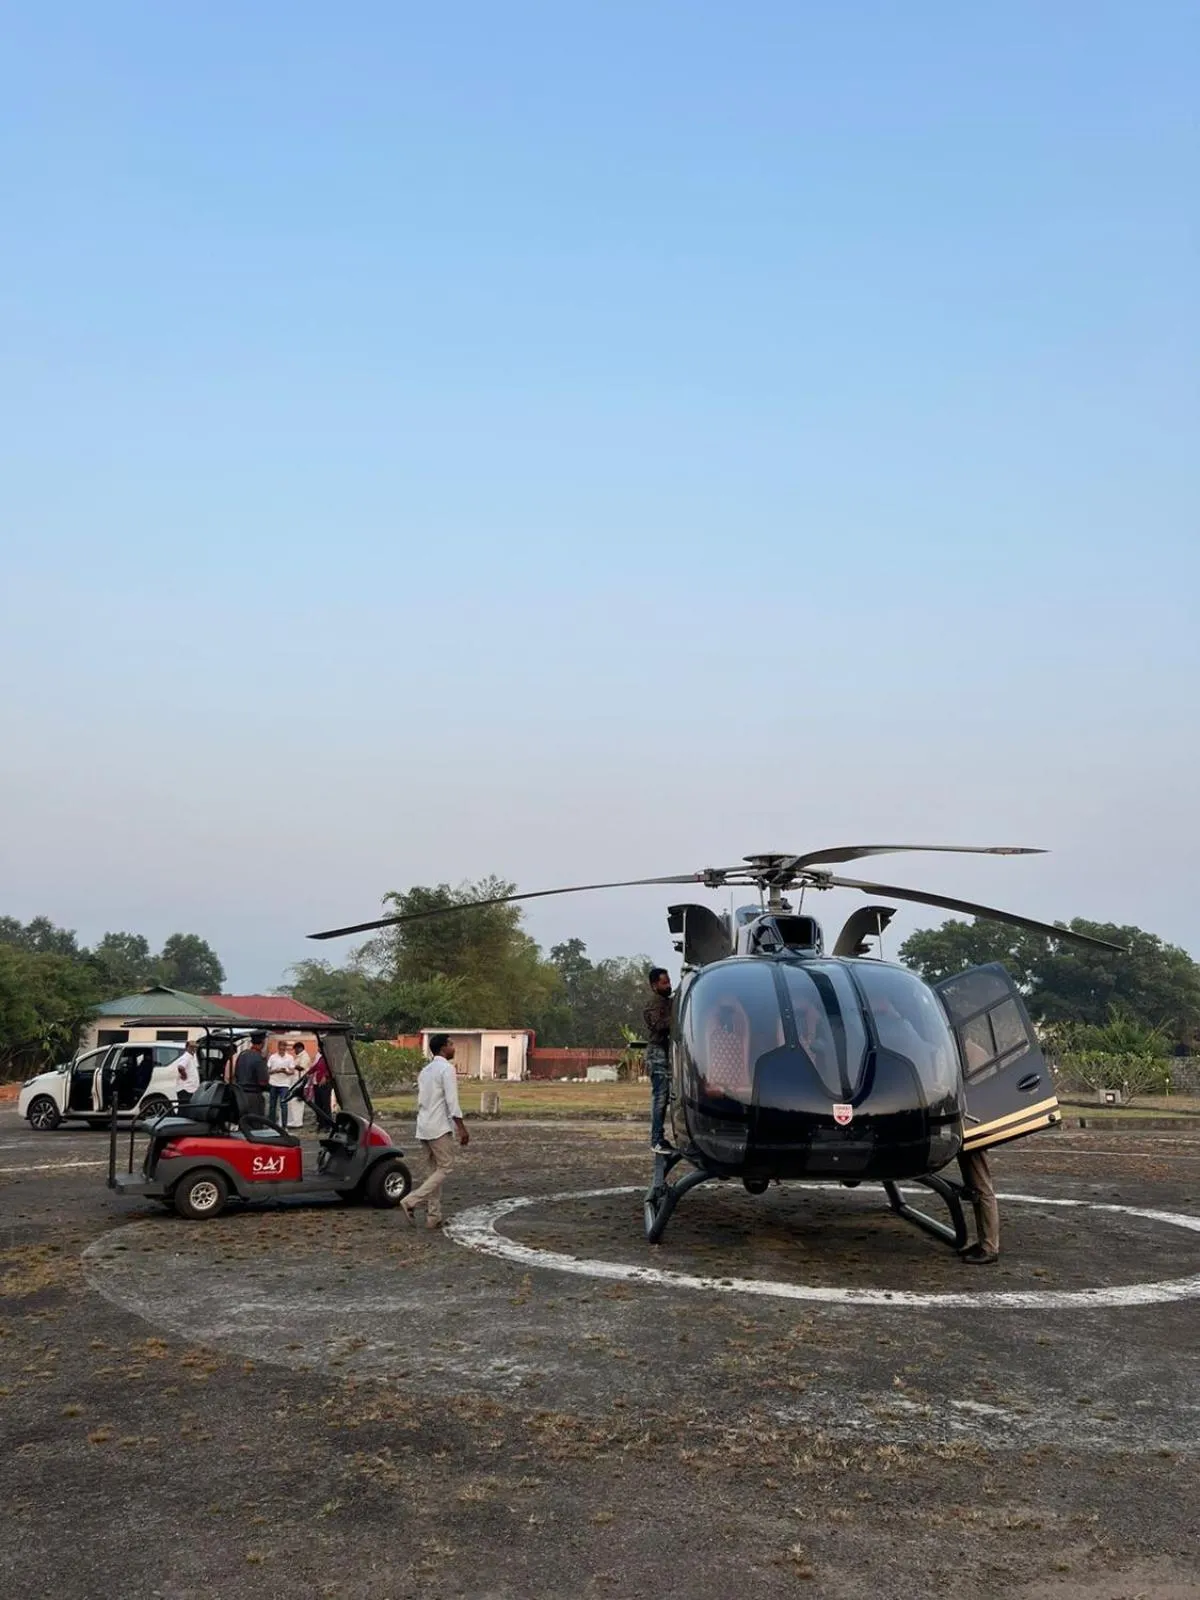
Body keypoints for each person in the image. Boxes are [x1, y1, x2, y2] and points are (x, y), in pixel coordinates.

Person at [401, 1035, 470, 1230]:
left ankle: (434, 1217)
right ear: (442, 1049)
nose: (453, 1047)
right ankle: (412, 1200)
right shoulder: (446, 1069)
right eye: (450, 1044)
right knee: (446, 1167)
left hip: (424, 1126)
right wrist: (462, 1127)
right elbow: (452, 1102)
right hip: (439, 1126)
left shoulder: (425, 1071)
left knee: (434, 1172)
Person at [643, 968, 674, 1155]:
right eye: (664, 982)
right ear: (654, 986)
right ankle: (656, 1140)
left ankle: (660, 1138)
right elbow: (659, 1025)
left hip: (664, 1052)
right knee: (660, 1097)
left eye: (669, 981)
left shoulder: (666, 1002)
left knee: (665, 1096)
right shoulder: (654, 1004)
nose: (669, 985)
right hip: (657, 1052)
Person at [957, 1144, 1000, 1265]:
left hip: (974, 1138)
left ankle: (990, 1247)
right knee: (976, 1190)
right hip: (968, 1138)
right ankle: (983, 1243)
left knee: (983, 1189)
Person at [233, 1031, 271, 1118]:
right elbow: (263, 1081)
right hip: (254, 1096)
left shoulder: (242, 1055)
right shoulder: (259, 1058)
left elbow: (236, 1074)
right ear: (263, 1042)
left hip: (241, 1095)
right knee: (255, 1124)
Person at [266, 1041, 297, 1126]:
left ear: (285, 1048)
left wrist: (286, 1071)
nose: (282, 1049)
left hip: (284, 1084)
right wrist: (276, 1070)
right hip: (273, 1083)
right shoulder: (273, 1057)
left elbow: (292, 1071)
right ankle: (271, 1124)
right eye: (280, 1047)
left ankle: (284, 1125)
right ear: (278, 1047)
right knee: (272, 1105)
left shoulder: (290, 1058)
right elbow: (268, 1071)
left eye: (283, 1047)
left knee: (283, 1104)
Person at [170, 1039, 201, 1106]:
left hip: (190, 1089)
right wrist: (184, 1075)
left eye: (195, 1047)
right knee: (185, 1108)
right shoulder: (186, 1057)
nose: (193, 1049)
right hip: (186, 1089)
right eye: (191, 1047)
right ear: (187, 1047)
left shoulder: (192, 1057)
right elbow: (180, 1067)